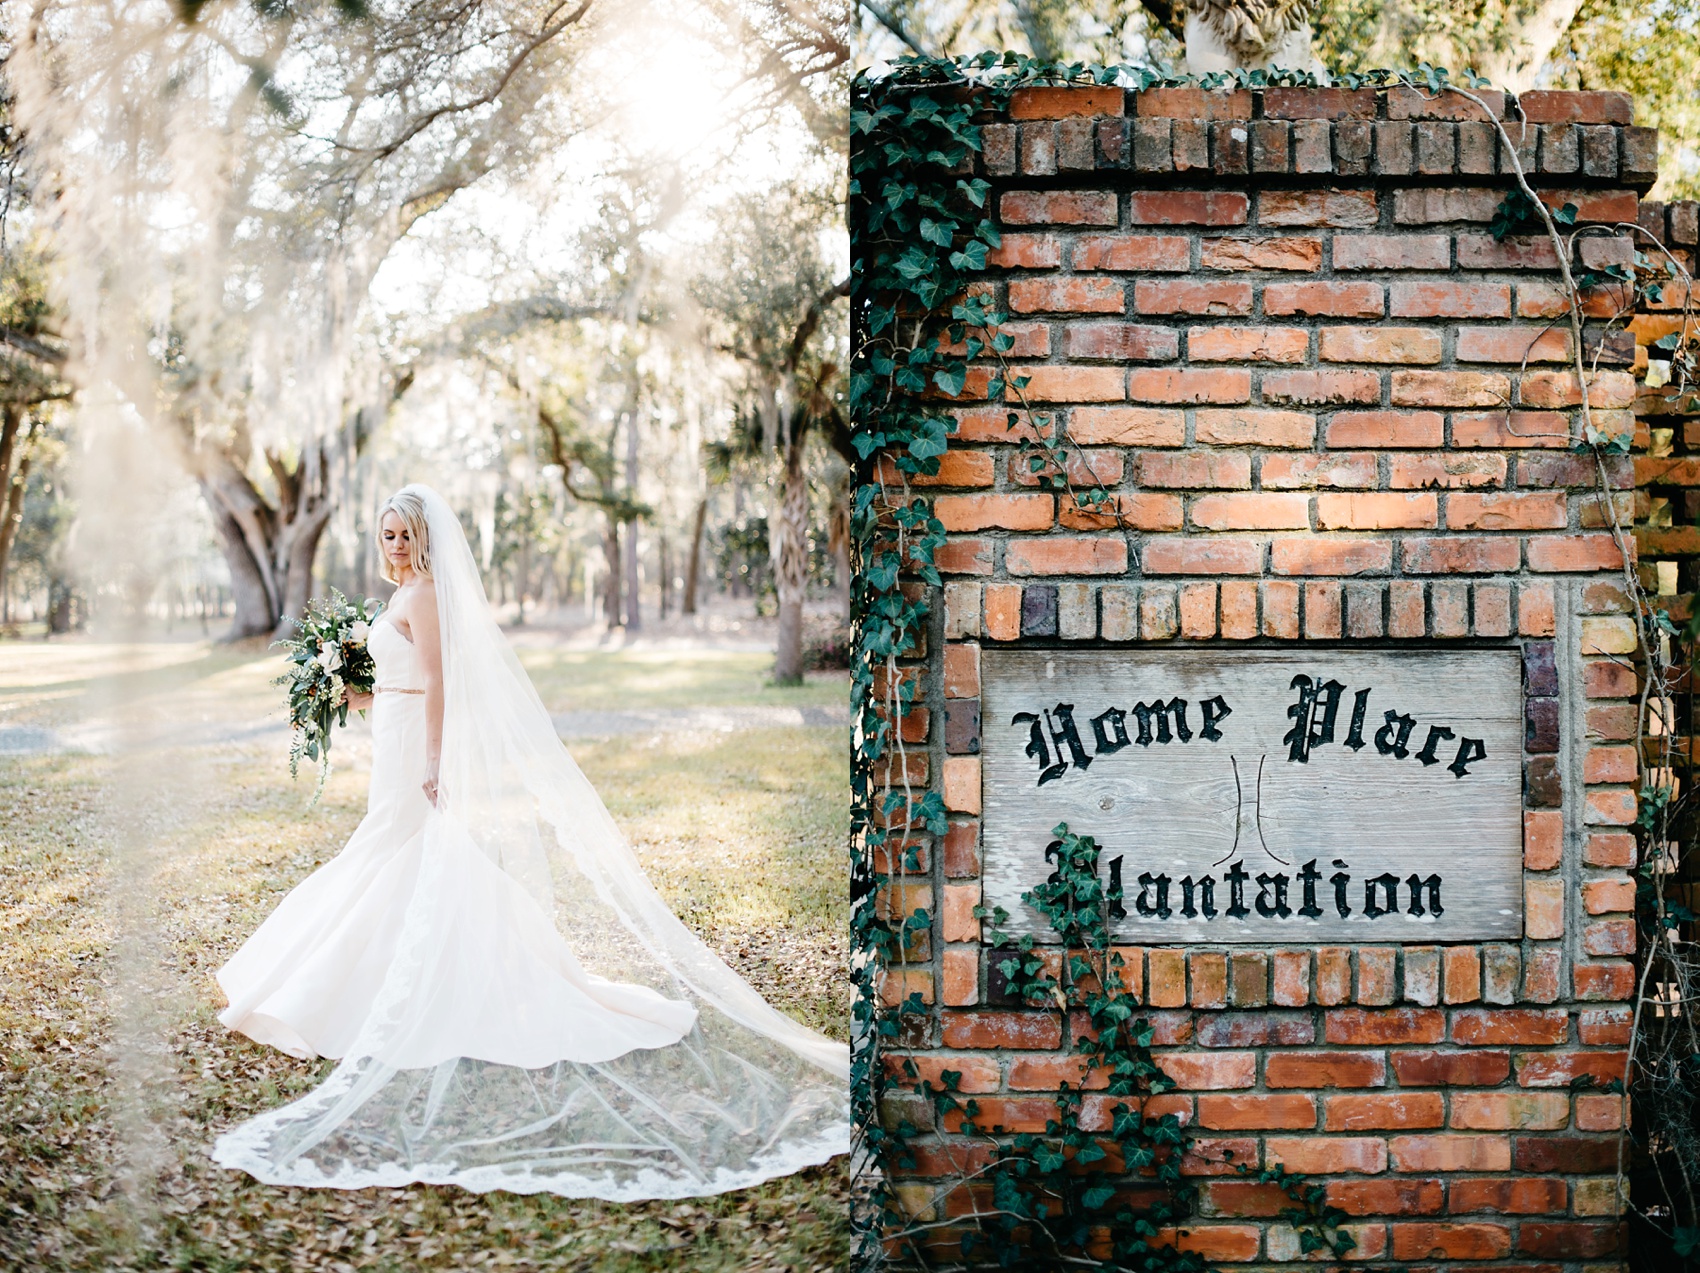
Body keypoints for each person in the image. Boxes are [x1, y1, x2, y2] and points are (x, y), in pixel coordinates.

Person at [213, 485, 846, 1198]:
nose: (393, 545)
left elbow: (437, 684)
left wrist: (431, 759)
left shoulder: (422, 594)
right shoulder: (402, 595)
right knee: (394, 857)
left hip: (411, 746)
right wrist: (343, 693)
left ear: (423, 538)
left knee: (390, 852)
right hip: (390, 729)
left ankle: (342, 989)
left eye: (403, 534)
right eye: (385, 534)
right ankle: (358, 980)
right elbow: (396, 681)